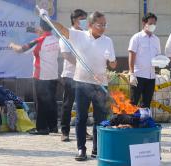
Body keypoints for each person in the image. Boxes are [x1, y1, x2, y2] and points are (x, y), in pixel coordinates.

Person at [39, 9, 117, 160]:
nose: (103, 27)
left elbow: (113, 65)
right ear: (90, 24)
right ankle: (81, 149)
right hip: (82, 83)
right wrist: (47, 18)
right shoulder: (78, 36)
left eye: (105, 25)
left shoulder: (107, 41)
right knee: (81, 118)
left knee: (100, 119)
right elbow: (61, 28)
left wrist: (111, 60)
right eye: (100, 25)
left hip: (100, 84)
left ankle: (97, 149)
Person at [9, 19, 60, 135]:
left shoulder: (38, 41)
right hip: (53, 75)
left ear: (41, 27)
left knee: (41, 103)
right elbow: (45, 36)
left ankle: (42, 128)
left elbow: (20, 50)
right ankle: (53, 127)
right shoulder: (55, 39)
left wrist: (12, 44)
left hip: (41, 76)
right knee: (51, 101)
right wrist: (42, 32)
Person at [59, 9, 93, 142]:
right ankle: (65, 131)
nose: (85, 22)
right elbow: (66, 55)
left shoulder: (86, 35)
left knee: (83, 105)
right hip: (70, 75)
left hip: (84, 76)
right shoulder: (66, 34)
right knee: (68, 104)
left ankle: (82, 131)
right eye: (82, 19)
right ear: (74, 20)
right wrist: (81, 65)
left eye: (86, 19)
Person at [128, 13, 161, 108]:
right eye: (150, 23)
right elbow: (131, 55)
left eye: (154, 24)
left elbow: (157, 56)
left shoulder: (156, 39)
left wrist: (161, 62)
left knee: (146, 103)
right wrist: (131, 73)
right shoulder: (136, 38)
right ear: (144, 23)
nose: (153, 26)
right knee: (133, 102)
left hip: (151, 76)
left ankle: (143, 122)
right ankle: (130, 122)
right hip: (138, 75)